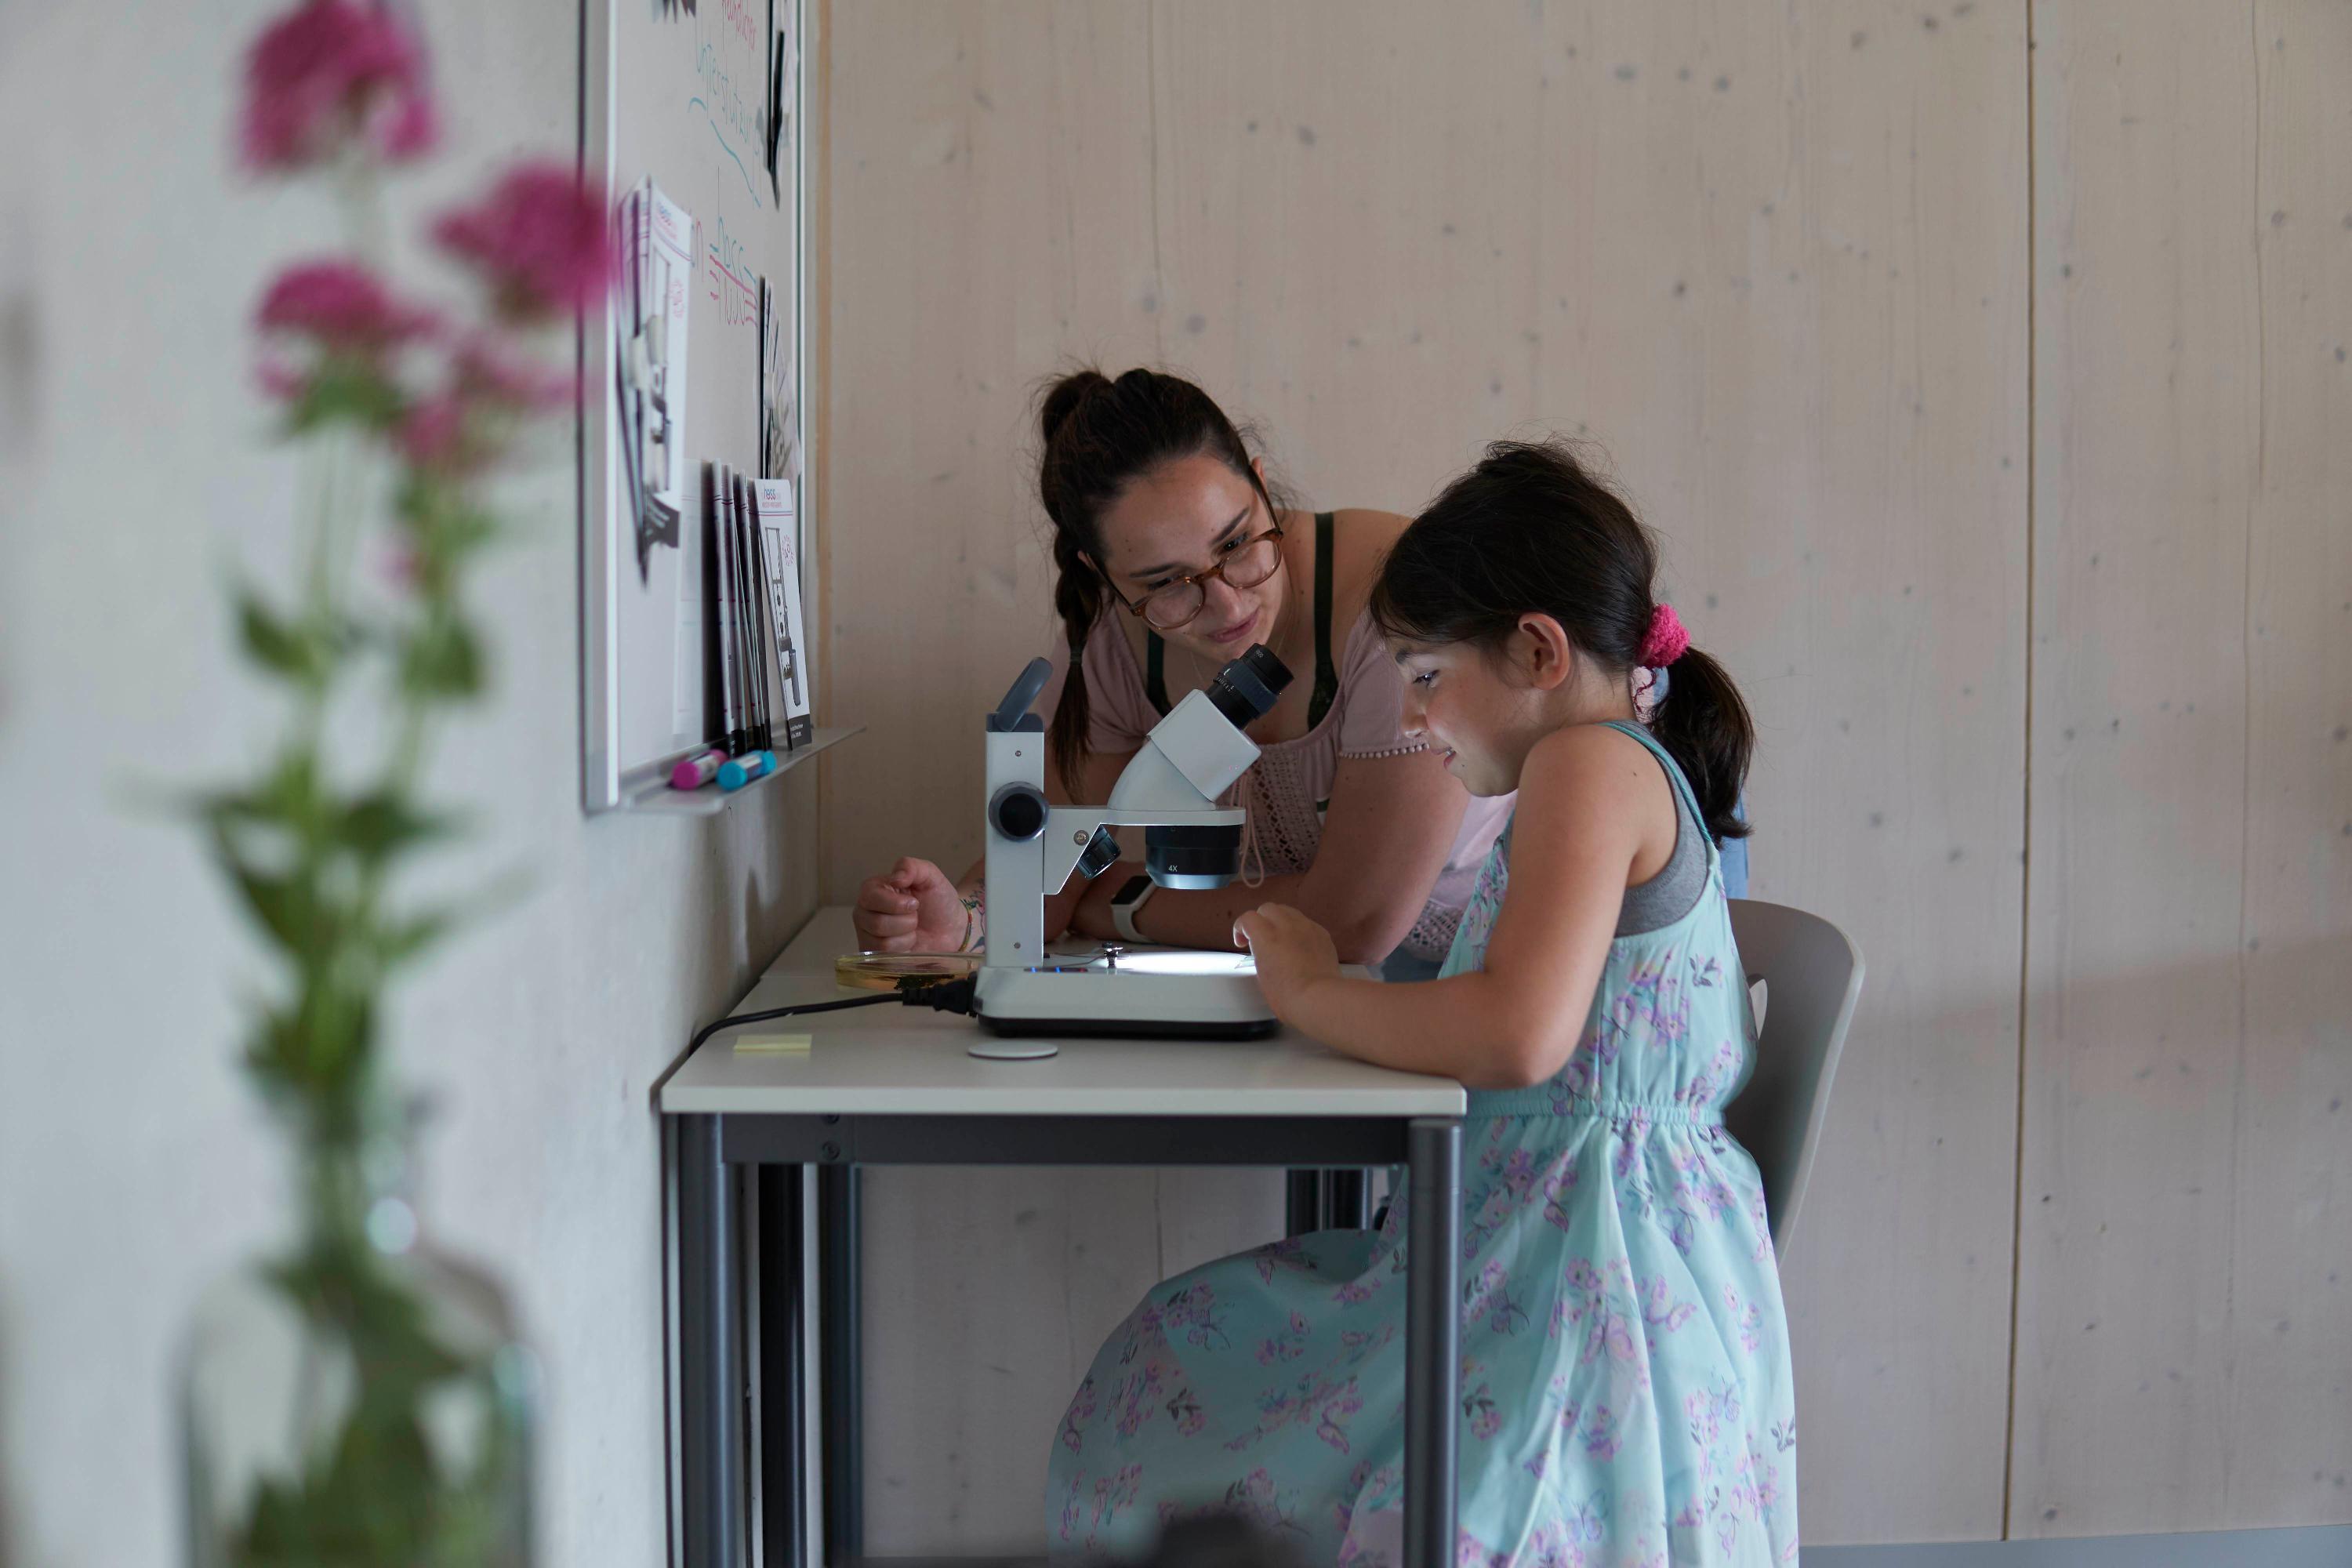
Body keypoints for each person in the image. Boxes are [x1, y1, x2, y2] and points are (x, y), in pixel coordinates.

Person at [1047, 441, 1796, 1566]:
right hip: (1538, 1243)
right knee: (1188, 1349)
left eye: (1428, 676)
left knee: (1191, 1384)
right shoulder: (1591, 769)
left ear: (1537, 650)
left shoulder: (1588, 768)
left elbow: (1515, 1034)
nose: (1416, 716)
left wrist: (1307, 989)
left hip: (1588, 1282)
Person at [852, 366, 1513, 976]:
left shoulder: (1397, 605)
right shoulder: (1114, 644)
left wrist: (1121, 900)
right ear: (1101, 574)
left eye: (1236, 542)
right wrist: (958, 924)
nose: (1227, 605)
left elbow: (1357, 921)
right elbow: (1049, 874)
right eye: (1165, 582)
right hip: (1303, 980)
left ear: (1261, 485)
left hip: (1494, 972)